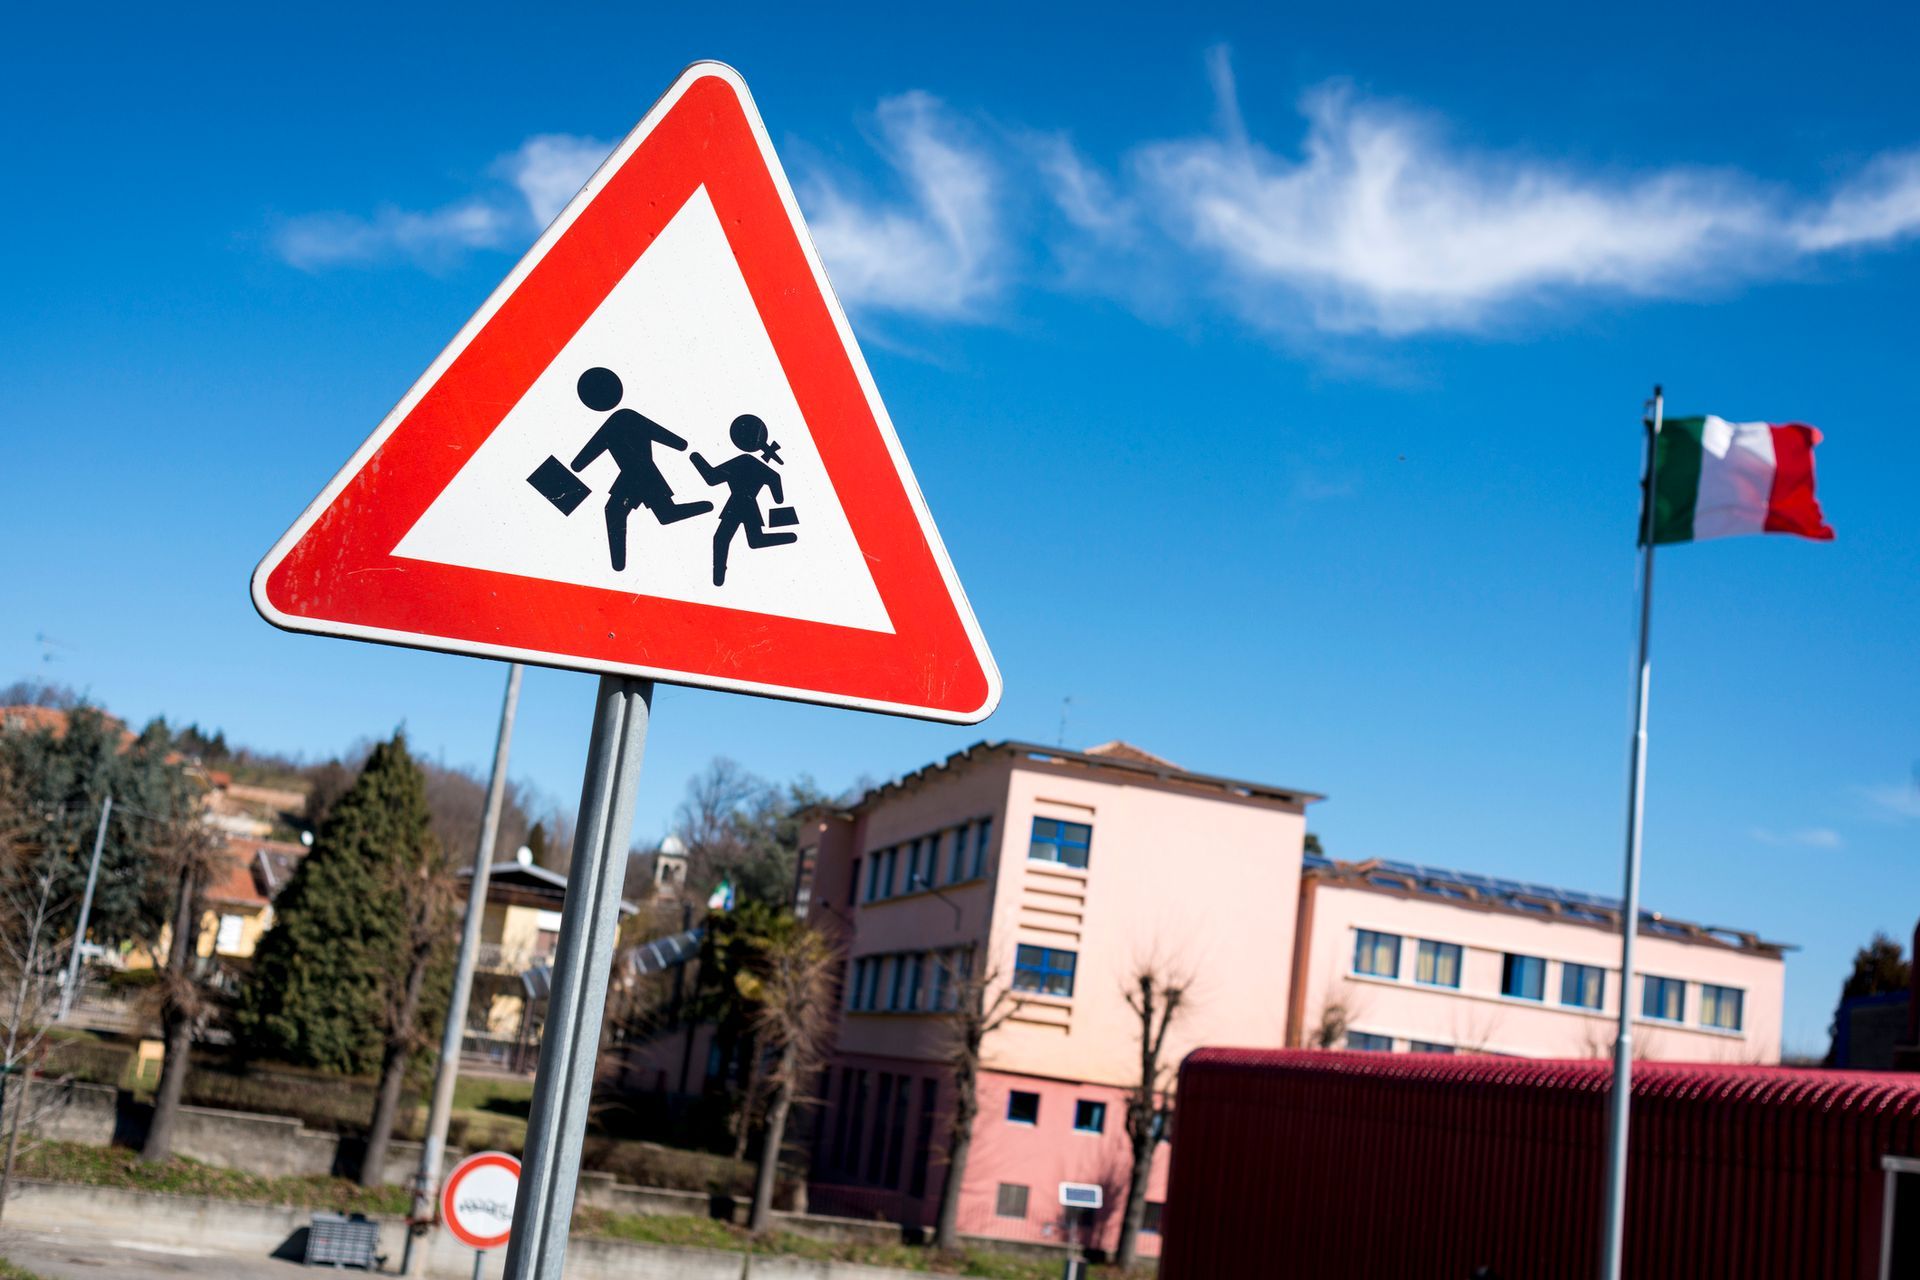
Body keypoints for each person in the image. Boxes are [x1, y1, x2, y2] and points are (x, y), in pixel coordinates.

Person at [568, 367, 713, 572]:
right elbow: (676, 442)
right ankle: (618, 564)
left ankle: (619, 564)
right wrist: (679, 444)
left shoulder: (621, 420)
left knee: (650, 513)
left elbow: (581, 461)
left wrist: (578, 465)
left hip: (641, 474)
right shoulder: (622, 419)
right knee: (652, 513)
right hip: (637, 475)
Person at [690, 414, 798, 586]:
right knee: (753, 539)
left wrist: (696, 459)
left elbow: (711, 477)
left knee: (722, 539)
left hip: (737, 504)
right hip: (748, 504)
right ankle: (789, 537)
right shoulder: (755, 464)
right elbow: (775, 479)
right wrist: (778, 497)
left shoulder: (742, 461)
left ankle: (718, 577)